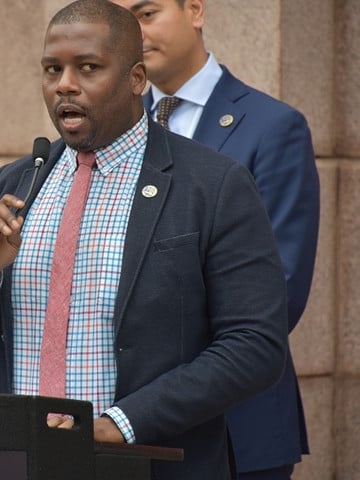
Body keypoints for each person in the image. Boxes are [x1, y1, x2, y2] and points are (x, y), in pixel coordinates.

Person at [0, 0, 288, 478]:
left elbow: (254, 345)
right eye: (52, 69)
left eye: (87, 68)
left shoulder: (213, 186)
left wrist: (121, 424)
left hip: (145, 462)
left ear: (136, 79)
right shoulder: (14, 185)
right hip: (18, 463)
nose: (64, 84)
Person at [109, 0, 320, 478]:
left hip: (237, 428)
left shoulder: (273, 127)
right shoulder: (113, 133)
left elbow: (279, 292)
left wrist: (161, 392)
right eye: (120, 22)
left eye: (146, 13)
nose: (133, 34)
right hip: (127, 430)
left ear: (196, 11)